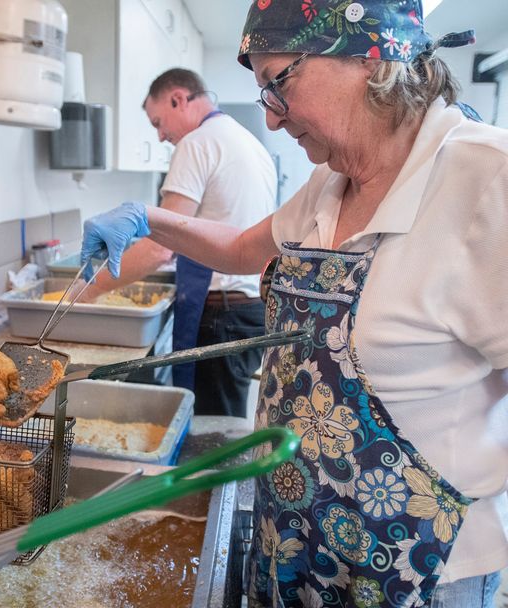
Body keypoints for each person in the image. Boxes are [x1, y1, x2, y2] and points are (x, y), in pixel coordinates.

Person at [79, 1, 508, 606]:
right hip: (292, 543)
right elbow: (239, 246)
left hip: (417, 568)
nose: (273, 121)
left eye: (278, 83)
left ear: (369, 57)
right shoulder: (329, 184)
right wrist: (147, 217)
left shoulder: (487, 180)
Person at [82, 68, 277, 417]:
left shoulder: (197, 143)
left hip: (221, 314)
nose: (159, 137)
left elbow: (161, 246)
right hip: (249, 307)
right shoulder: (246, 140)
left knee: (212, 430)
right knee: (224, 421)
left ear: (178, 99)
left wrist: (92, 290)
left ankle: (214, 475)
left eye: (159, 122)